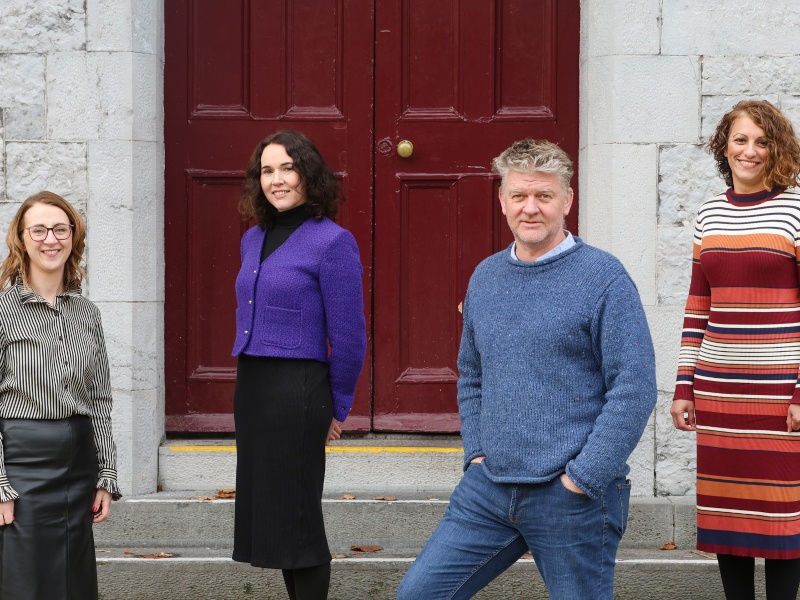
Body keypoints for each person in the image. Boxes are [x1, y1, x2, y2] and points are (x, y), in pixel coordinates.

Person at [396, 139, 657, 600]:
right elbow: (472, 374)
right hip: (489, 489)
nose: (530, 208)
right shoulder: (486, 277)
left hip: (571, 496)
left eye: (544, 196)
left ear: (567, 200)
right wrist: (476, 452)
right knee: (419, 594)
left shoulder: (604, 278)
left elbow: (633, 388)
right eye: (519, 196)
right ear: (502, 200)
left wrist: (582, 477)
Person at [671, 100, 800, 600]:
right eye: (741, 139)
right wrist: (685, 385)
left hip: (777, 394)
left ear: (777, 150)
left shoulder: (794, 209)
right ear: (725, 145)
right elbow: (697, 306)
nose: (750, 151)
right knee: (731, 519)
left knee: (784, 520)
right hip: (720, 391)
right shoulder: (709, 213)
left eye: (762, 141)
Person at [231, 129, 367, 599]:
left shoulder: (333, 242)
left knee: (300, 520)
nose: (277, 179)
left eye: (288, 168)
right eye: (267, 170)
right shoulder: (254, 237)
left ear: (309, 174)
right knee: (275, 518)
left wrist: (338, 406)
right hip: (253, 387)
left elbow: (350, 337)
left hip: (298, 390)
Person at [0, 191, 120, 599]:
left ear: (73, 237)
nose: (50, 239)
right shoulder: (2, 311)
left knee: (74, 581)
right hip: (22, 466)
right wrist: (0, 483)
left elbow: (100, 398)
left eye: (60, 229)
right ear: (21, 238)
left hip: (78, 464)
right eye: (39, 230)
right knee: (25, 582)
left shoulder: (88, 314)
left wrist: (106, 473)